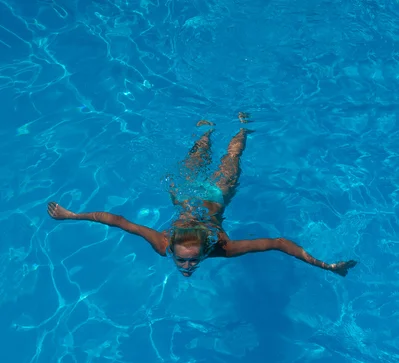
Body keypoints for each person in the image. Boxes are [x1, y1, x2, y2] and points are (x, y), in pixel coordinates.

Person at [47, 113, 357, 278]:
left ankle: (242, 124)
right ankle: (213, 128)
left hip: (195, 192)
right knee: (214, 154)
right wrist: (71, 216)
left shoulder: (211, 248)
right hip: (206, 194)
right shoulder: (171, 246)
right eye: (184, 261)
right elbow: (113, 220)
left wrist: (325, 266)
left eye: (189, 262)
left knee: (224, 157)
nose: (186, 267)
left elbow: (277, 244)